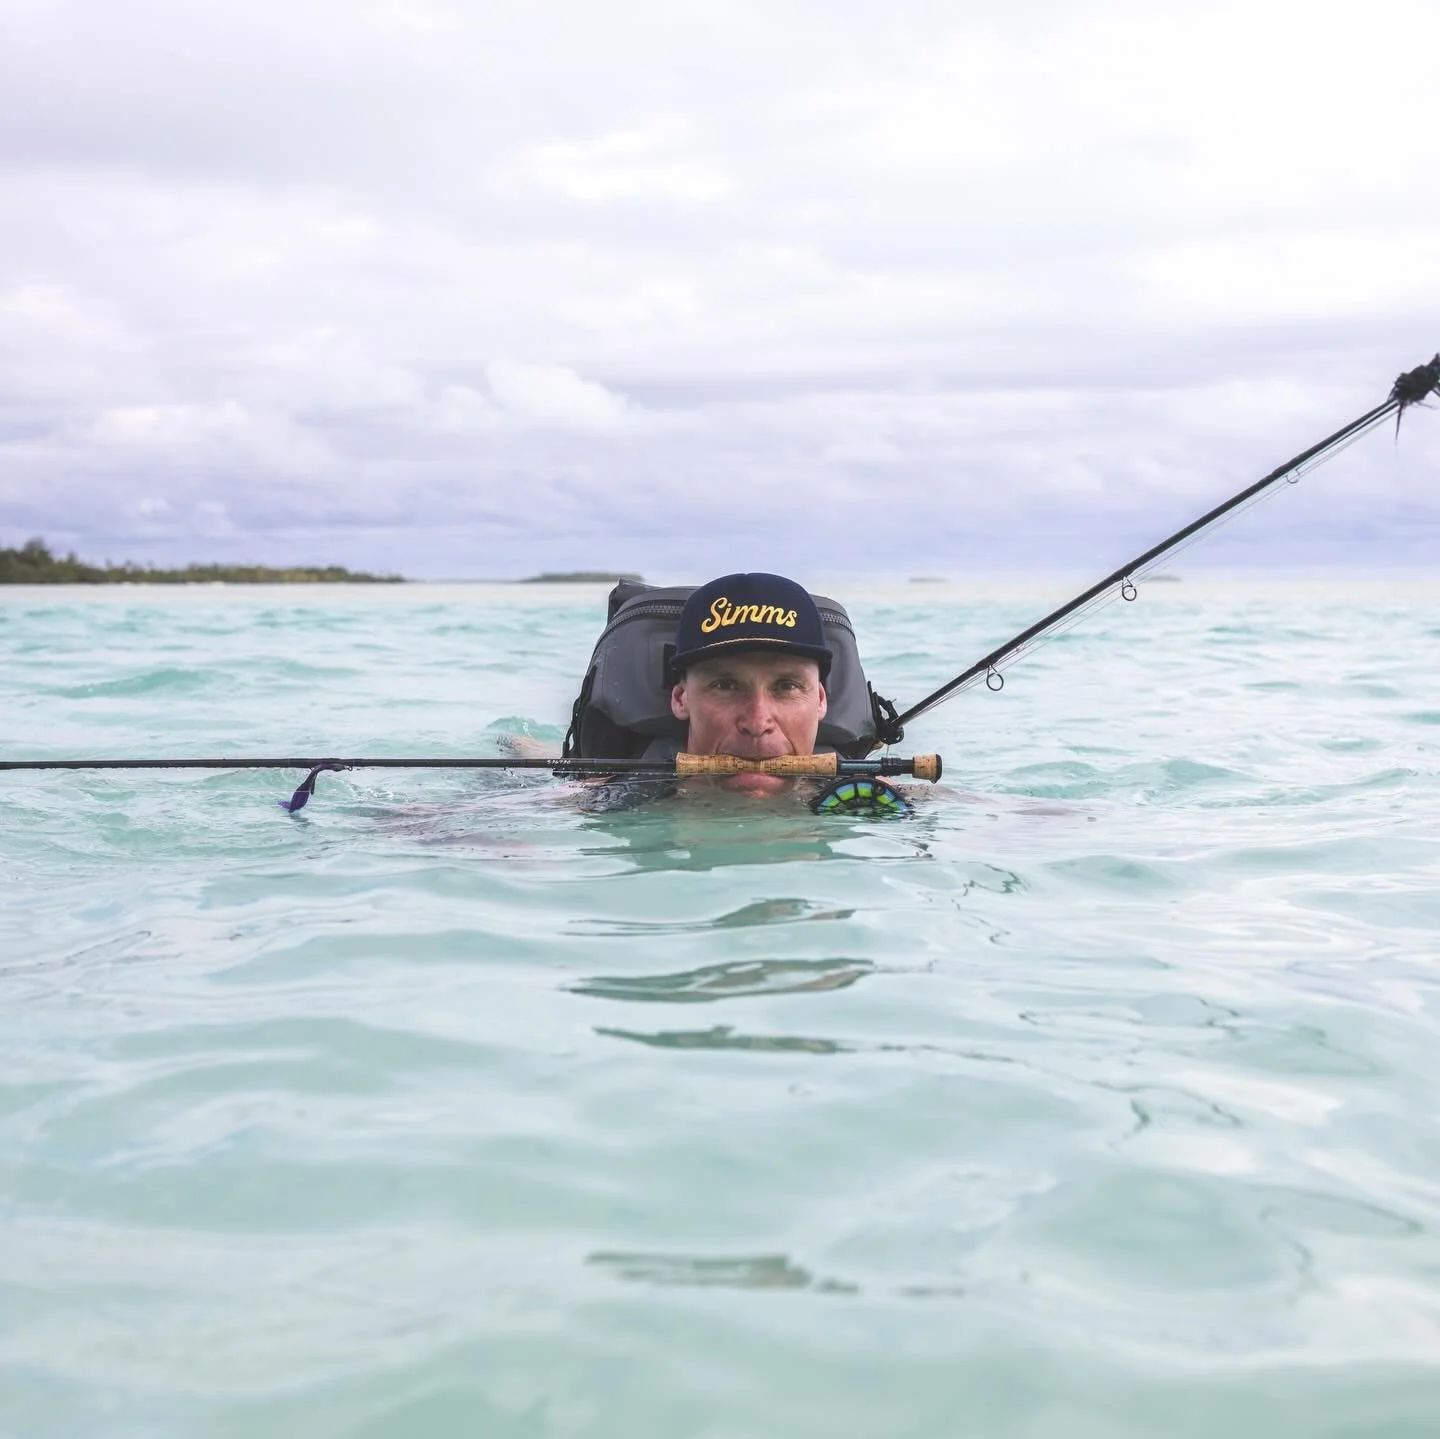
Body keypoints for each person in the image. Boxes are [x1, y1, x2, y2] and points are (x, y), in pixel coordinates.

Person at [667, 572, 832, 797]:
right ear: (680, 699)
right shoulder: (610, 805)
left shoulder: (877, 804)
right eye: (725, 685)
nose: (757, 724)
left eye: (786, 686)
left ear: (820, 700)